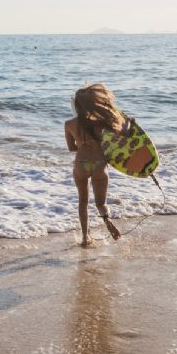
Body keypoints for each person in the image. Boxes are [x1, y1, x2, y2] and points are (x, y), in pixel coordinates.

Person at [64, 83, 123, 246]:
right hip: (99, 165)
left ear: (76, 105)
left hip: (81, 165)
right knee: (101, 203)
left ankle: (85, 236)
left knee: (83, 201)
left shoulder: (69, 124)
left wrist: (82, 145)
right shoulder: (101, 123)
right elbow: (117, 139)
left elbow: (71, 148)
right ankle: (108, 223)